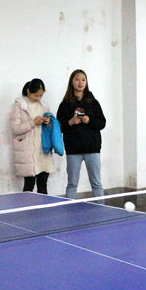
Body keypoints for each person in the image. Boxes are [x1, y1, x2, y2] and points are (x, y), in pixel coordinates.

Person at [56, 69, 106, 199]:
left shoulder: (93, 102)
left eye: (83, 80)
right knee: (72, 183)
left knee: (96, 183)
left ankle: (101, 208)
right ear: (71, 82)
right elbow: (58, 127)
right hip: (73, 149)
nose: (80, 82)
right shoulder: (65, 104)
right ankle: (70, 208)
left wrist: (89, 121)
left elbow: (102, 123)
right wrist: (70, 122)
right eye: (77, 79)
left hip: (92, 148)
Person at [11, 79, 55, 194]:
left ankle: (44, 205)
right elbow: (15, 129)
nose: (38, 98)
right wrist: (33, 122)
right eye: (36, 95)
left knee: (43, 184)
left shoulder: (44, 106)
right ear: (28, 91)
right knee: (29, 185)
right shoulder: (19, 106)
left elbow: (51, 126)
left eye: (41, 95)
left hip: (43, 149)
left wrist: (48, 122)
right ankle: (26, 206)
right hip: (28, 151)